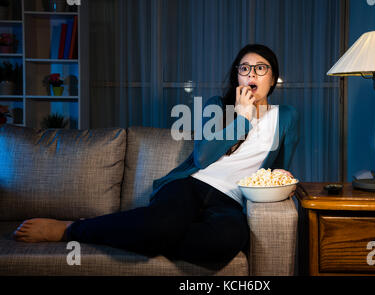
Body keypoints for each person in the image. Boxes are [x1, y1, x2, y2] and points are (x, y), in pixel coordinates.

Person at [13, 44, 300, 266]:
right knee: (161, 224)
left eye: (261, 69)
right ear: (236, 75)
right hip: (191, 186)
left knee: (225, 243)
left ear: (273, 78)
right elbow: (203, 157)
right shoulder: (217, 106)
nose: (251, 74)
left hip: (231, 201)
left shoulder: (285, 116)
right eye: (245, 68)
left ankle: (145, 232)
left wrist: (279, 176)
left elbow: (274, 171)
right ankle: (72, 229)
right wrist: (242, 118)